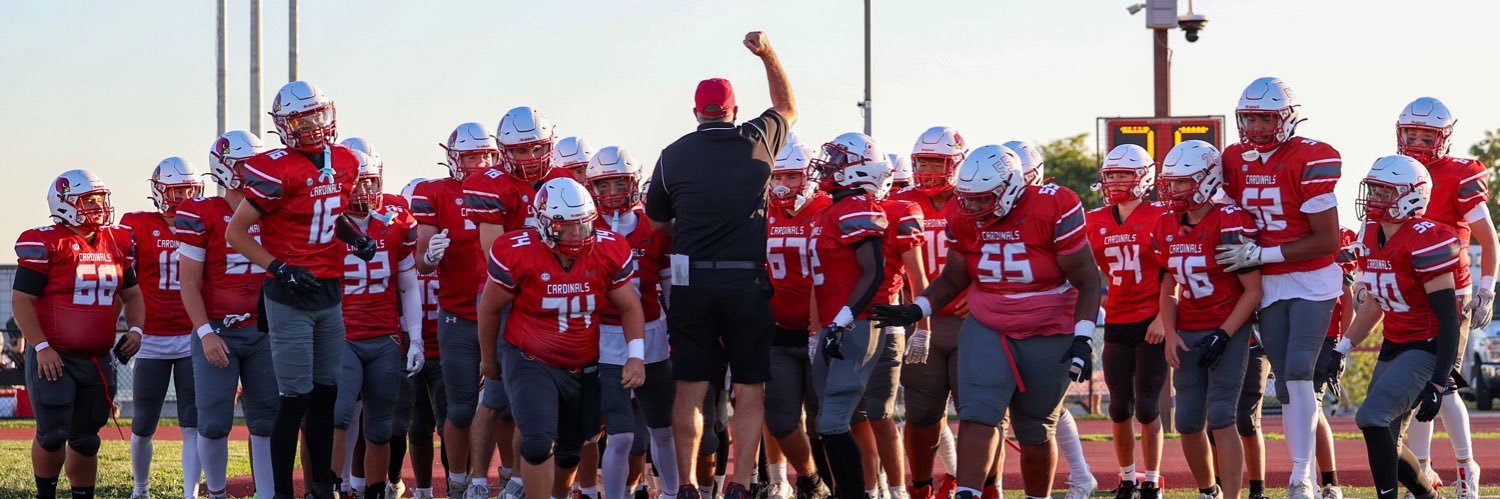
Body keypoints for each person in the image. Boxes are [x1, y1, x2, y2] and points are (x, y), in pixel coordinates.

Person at [873, 145, 1102, 499]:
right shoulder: (964, 215)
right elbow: (953, 278)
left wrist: (1083, 338)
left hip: (1049, 326)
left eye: (982, 199)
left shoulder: (1054, 204)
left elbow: (1087, 280)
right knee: (977, 412)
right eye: (968, 199)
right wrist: (918, 308)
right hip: (989, 322)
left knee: (1035, 427)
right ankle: (968, 492)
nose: (972, 208)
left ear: (1010, 188)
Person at [644, 30, 795, 499]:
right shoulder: (756, 139)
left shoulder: (673, 155)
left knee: (690, 386)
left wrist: (691, 224)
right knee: (750, 387)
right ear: (733, 110)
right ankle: (740, 481)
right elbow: (787, 106)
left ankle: (687, 484)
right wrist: (768, 54)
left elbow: (656, 222)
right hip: (746, 280)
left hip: (693, 281)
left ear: (696, 112)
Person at [226, 80, 371, 498]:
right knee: (295, 397)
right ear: (284, 126)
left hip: (328, 292)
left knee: (327, 394)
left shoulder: (344, 160)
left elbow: (329, 216)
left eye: (318, 115)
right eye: (302, 119)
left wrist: (354, 237)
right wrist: (280, 267)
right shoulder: (275, 168)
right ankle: (280, 493)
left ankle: (321, 486)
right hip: (289, 296)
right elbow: (237, 233)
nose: (313, 125)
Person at [477, 178, 646, 499]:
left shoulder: (608, 248)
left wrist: (635, 354)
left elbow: (629, 306)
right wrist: (489, 358)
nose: (576, 235)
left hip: (583, 364)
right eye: (565, 228)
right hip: (530, 358)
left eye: (583, 226)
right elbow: (489, 309)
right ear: (543, 223)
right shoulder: (517, 251)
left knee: (572, 449)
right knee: (538, 442)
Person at [1215, 76, 1343, 499]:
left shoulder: (1311, 156)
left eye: (1263, 118)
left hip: (1310, 278)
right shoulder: (1234, 158)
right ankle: (1305, 472)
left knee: (1300, 369)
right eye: (1247, 118)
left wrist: (1261, 255)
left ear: (1286, 117)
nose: (1253, 127)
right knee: (1286, 383)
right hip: (1266, 284)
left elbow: (1327, 240)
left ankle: (1301, 476)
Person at [15, 169, 145, 499]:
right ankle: (45, 495)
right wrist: (41, 346)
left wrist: (137, 329)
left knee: (87, 438)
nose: (99, 206)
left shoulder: (116, 241)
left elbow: (132, 294)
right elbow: (22, 301)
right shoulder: (47, 242)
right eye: (89, 200)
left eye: (101, 198)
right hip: (54, 355)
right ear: (64, 203)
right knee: (53, 433)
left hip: (97, 357)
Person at [1339, 155, 1459, 499]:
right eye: (1373, 188)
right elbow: (1376, 303)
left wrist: (1439, 380)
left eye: (1383, 191)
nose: (1373, 197)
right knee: (1387, 434)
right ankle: (1428, 496)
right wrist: (1342, 348)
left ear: (1411, 196)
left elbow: (1449, 318)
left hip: (1427, 344)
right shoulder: (1371, 234)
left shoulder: (1428, 238)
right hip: (1394, 342)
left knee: (1371, 418)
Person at [1393, 97, 1494, 499]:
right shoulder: (1396, 170)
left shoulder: (1459, 174)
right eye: (1411, 134)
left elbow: (1488, 238)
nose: (1417, 142)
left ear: (1445, 137)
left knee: (1443, 385)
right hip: (1408, 291)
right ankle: (1424, 470)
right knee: (1418, 389)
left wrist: (1487, 288)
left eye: (1426, 135)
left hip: (1452, 289)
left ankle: (1467, 466)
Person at [1153, 140, 1260, 499]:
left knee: (1222, 415)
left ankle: (1232, 496)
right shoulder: (1166, 223)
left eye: (1183, 182)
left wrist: (1225, 334)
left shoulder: (1231, 220)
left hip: (1227, 327)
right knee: (1185, 421)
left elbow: (1253, 290)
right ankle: (1207, 491)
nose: (1174, 190)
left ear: (1209, 178)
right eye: (1171, 182)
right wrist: (1169, 333)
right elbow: (1168, 288)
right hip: (1188, 329)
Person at [178, 131, 280, 499]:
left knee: (267, 420)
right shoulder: (200, 213)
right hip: (218, 329)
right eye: (243, 164)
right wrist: (205, 332)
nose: (253, 170)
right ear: (223, 168)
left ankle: (267, 493)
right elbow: (188, 283)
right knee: (215, 422)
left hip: (265, 330)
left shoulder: (274, 210)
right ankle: (217, 493)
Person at [329, 142, 426, 499]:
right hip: (343, 334)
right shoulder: (326, 222)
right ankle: (331, 487)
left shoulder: (398, 219)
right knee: (338, 416)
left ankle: (373, 491)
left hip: (385, 335)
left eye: (370, 182)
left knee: (381, 427)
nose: (364, 191)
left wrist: (414, 338)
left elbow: (408, 284)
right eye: (357, 183)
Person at [411, 121, 503, 497]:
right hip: (459, 315)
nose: (478, 163)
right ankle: (459, 482)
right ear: (452, 158)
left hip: (502, 313)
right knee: (460, 409)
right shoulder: (436, 193)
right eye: (469, 156)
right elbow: (422, 262)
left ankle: (509, 479)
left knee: (506, 405)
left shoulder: (504, 187)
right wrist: (430, 255)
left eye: (484, 155)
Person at [584, 146, 681, 499]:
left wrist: (680, 333)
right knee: (620, 434)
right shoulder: (585, 229)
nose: (612, 193)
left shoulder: (653, 227)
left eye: (619, 183)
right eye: (604, 185)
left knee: (663, 428)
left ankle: (671, 492)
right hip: (604, 337)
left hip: (653, 335)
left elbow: (671, 286)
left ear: (634, 183)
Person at [804, 132, 889, 499]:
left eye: (837, 160)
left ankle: (856, 494)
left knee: (834, 419)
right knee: (828, 419)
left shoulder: (858, 207)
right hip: (833, 325)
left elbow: (874, 272)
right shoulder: (831, 208)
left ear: (858, 169)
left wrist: (843, 319)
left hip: (855, 324)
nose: (827, 166)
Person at [1085, 144, 1167, 499]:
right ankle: (1127, 477)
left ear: (1144, 178)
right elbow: (1083, 272)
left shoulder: (1161, 214)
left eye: (1124, 174)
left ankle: (1153, 479)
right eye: (1112, 174)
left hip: (1152, 319)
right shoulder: (1094, 220)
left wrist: (1164, 317)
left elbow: (1171, 270)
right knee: (1119, 406)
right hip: (1117, 318)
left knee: (1147, 406)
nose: (1116, 181)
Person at [120, 156, 205, 499]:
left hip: (190, 335)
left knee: (193, 424)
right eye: (176, 190)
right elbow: (122, 281)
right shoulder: (137, 225)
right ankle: (140, 489)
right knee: (142, 423)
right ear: (159, 192)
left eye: (189, 190)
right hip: (151, 337)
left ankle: (190, 493)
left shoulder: (204, 223)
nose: (184, 198)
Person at [889, 126, 966, 499]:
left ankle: (982, 485)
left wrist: (980, 289)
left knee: (979, 414)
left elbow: (999, 248)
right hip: (920, 321)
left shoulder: (974, 198)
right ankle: (920, 484)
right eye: (923, 162)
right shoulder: (902, 201)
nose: (930, 170)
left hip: (969, 322)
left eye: (938, 162)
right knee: (921, 415)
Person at [762, 133, 835, 499]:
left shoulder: (828, 208)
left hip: (822, 331)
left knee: (829, 420)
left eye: (791, 176)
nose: (782, 185)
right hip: (777, 332)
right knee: (779, 420)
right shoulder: (763, 213)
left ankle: (857, 485)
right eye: (776, 176)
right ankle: (810, 479)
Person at [864, 153, 926, 499]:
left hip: (885, 322)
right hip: (845, 323)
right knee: (852, 415)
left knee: (879, 411)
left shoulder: (899, 212)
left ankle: (899, 490)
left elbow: (918, 277)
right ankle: (871, 488)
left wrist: (925, 327)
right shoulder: (829, 209)